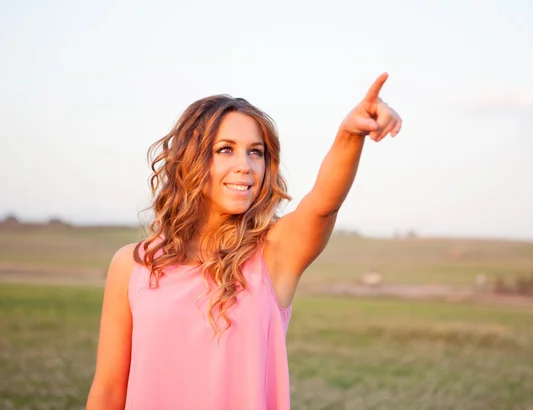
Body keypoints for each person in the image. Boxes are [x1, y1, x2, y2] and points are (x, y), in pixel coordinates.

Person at [86, 73, 401, 410]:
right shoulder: (133, 265)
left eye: (256, 152)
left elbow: (322, 207)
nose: (245, 166)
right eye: (225, 150)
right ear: (191, 159)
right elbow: (108, 391)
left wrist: (350, 135)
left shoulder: (275, 256)